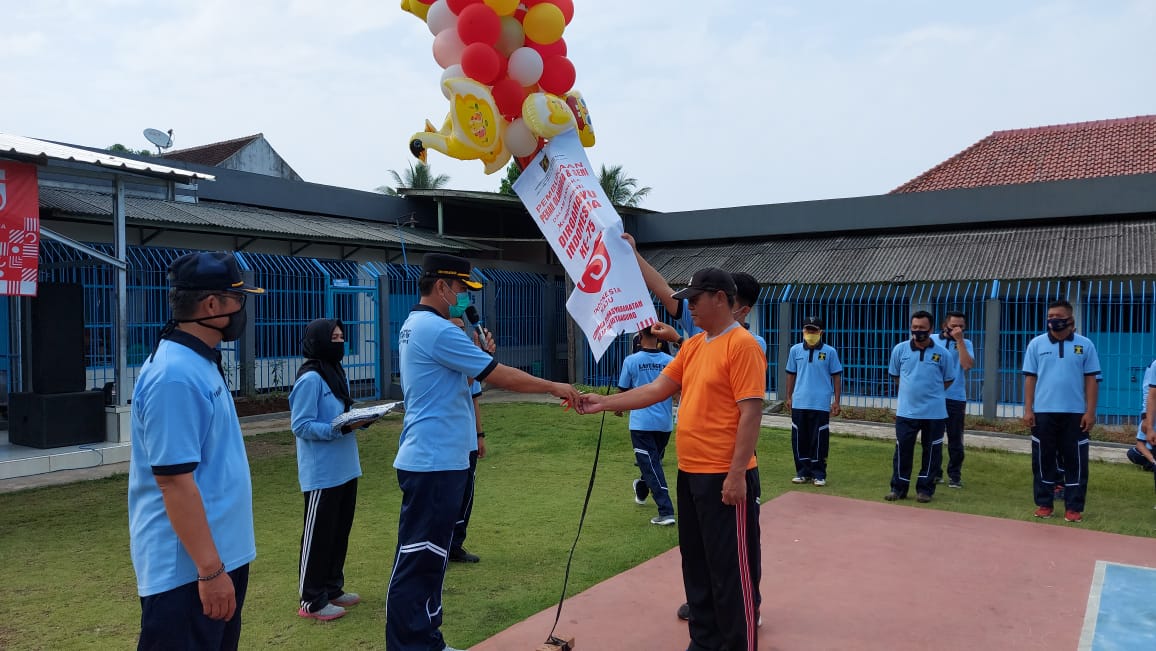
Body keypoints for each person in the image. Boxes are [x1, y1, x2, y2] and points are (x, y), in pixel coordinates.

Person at [386, 253, 581, 651]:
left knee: (430, 559)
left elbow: (469, 383)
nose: (464, 298)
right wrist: (554, 386)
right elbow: (500, 375)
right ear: (441, 286)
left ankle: (426, 639)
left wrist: (477, 353)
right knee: (420, 560)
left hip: (438, 457)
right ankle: (411, 644)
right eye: (460, 289)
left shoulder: (420, 326)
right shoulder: (437, 331)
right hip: (434, 460)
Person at [579, 267, 765, 651]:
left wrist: (735, 476)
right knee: (696, 565)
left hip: (723, 476)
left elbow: (751, 413)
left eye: (696, 298)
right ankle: (704, 641)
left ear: (720, 297)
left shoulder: (742, 345)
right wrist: (604, 402)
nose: (689, 306)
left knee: (731, 571)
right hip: (690, 471)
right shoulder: (695, 346)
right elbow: (659, 388)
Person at [128, 251, 264, 650]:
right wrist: (208, 570)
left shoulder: (199, 361)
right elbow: (172, 480)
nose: (242, 308)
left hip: (220, 557)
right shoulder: (175, 374)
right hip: (187, 572)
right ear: (211, 305)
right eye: (237, 299)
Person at [291, 318, 374, 621]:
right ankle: (311, 599)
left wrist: (361, 418)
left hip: (346, 468)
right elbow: (300, 425)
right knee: (318, 535)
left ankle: (332, 587)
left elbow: (341, 413)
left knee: (339, 532)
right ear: (318, 341)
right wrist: (338, 429)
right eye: (333, 337)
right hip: (322, 473)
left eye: (341, 337)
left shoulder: (336, 373)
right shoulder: (310, 378)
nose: (339, 342)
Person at [1022, 299, 1100, 523]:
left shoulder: (1085, 345)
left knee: (1075, 460)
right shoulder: (1036, 344)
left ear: (1070, 320)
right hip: (1043, 413)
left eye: (1058, 317)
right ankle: (1044, 504)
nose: (1053, 321)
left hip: (1075, 414)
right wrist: (1028, 409)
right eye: (1050, 317)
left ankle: (1073, 508)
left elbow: (1092, 379)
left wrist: (1090, 412)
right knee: (1042, 459)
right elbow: (1030, 378)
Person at [885, 310, 955, 504]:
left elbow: (948, 380)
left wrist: (931, 392)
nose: (918, 331)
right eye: (914, 328)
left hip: (935, 413)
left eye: (922, 328)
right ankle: (898, 488)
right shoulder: (900, 349)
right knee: (902, 450)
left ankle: (925, 490)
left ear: (931, 329)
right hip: (907, 412)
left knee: (932, 452)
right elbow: (896, 375)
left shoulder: (943, 353)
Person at [447, 315, 497, 564]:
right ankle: (442, 546)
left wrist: (480, 435)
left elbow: (474, 397)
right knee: (449, 496)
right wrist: (481, 358)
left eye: (462, 329)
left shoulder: (468, 360)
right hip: (447, 440)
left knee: (466, 495)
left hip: (467, 438)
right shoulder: (448, 360)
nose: (459, 332)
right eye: (453, 329)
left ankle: (456, 544)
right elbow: (465, 379)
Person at [617, 325, 676, 526]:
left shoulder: (631, 361)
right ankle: (647, 493)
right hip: (664, 423)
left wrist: (618, 407)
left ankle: (666, 511)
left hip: (641, 423)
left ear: (639, 335)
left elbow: (623, 389)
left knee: (651, 466)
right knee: (652, 464)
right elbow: (678, 391)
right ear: (660, 337)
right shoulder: (670, 362)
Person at [785, 316, 843, 486]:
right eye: (807, 329)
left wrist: (836, 401)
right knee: (799, 438)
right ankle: (802, 472)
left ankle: (819, 473)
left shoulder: (830, 352)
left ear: (821, 332)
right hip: (800, 402)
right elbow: (791, 373)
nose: (810, 333)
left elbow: (836, 376)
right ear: (803, 331)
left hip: (820, 403)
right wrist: (789, 396)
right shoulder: (795, 350)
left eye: (814, 330)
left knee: (819, 440)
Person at [934, 311, 975, 488]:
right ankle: (934, 472)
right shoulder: (933, 340)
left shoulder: (966, 343)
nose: (957, 329)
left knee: (955, 439)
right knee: (933, 437)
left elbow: (967, 365)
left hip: (955, 397)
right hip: (935, 396)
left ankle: (955, 475)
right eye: (953, 326)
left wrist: (959, 341)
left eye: (961, 327)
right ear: (945, 326)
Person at [1126, 359, 1156, 472]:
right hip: (1151, 415)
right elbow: (1149, 393)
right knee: (1134, 453)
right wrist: (1146, 417)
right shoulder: (1153, 366)